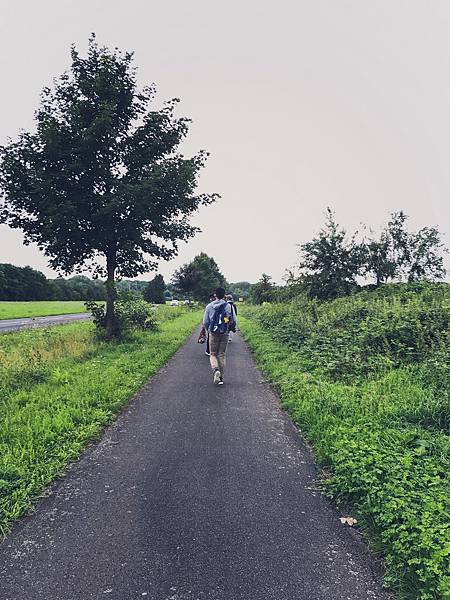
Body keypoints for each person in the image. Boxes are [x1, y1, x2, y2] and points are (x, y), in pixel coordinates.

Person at [202, 287, 235, 385]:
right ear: (224, 295)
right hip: (224, 332)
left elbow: (205, 322)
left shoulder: (209, 306)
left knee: (213, 354)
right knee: (221, 354)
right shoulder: (228, 306)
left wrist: (209, 330)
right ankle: (221, 378)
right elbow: (232, 320)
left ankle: (215, 370)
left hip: (213, 333)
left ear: (215, 295)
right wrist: (227, 328)